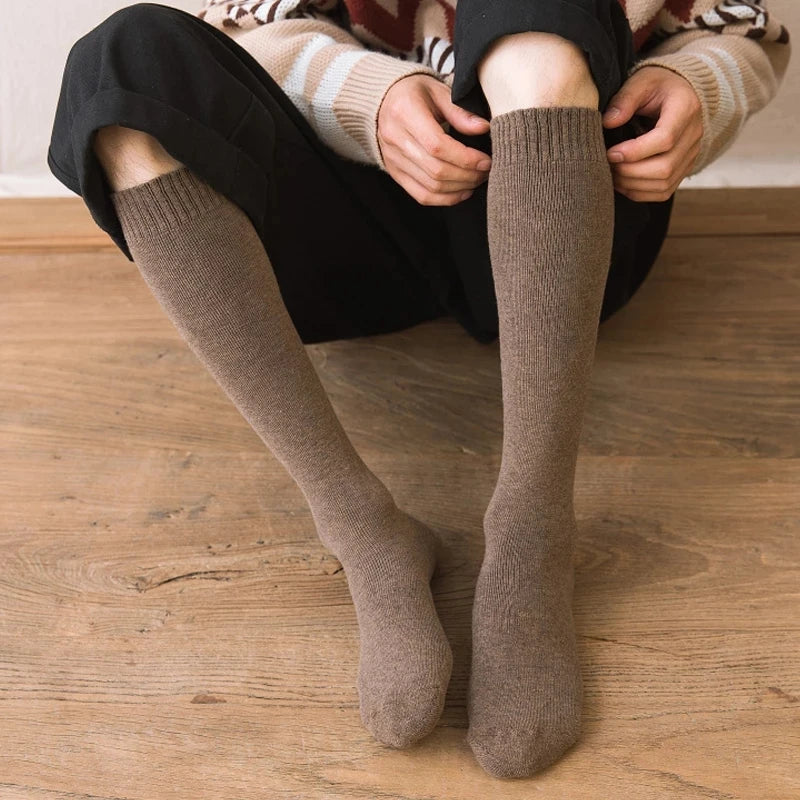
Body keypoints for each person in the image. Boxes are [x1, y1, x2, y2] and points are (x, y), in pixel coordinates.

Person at [46, 0, 790, 779]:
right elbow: (242, 32)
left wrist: (698, 88)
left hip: (572, 214)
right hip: (362, 224)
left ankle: (533, 536)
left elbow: (744, 32)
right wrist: (368, 98)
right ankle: (366, 533)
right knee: (119, 61)